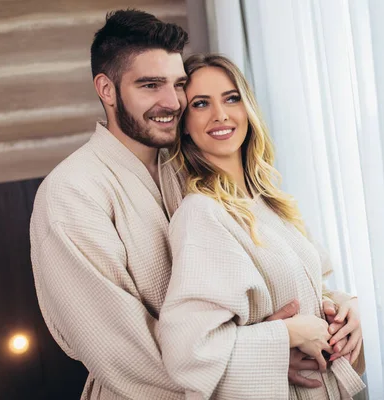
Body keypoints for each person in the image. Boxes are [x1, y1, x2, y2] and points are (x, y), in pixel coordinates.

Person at [30, 9, 357, 399]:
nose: (172, 102)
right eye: (150, 85)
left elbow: (272, 268)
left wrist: (339, 306)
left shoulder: (191, 167)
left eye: (178, 84)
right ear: (106, 89)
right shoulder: (70, 194)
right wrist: (266, 355)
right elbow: (120, 353)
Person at [158, 54, 365, 399]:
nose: (220, 115)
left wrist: (347, 307)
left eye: (231, 98)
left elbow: (304, 287)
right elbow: (189, 351)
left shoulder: (270, 201)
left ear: (247, 108)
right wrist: (286, 335)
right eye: (201, 104)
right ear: (185, 125)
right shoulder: (201, 214)